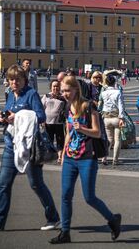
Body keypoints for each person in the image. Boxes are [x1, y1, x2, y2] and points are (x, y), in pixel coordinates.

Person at [0, 64, 60, 231]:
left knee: (36, 184)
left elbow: (40, 116)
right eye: (11, 79)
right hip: (11, 143)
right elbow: (10, 115)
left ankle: (53, 218)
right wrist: (5, 118)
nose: (14, 82)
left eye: (18, 79)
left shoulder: (31, 94)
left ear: (24, 80)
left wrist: (19, 116)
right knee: (3, 183)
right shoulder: (10, 95)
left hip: (29, 147)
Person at [49, 76, 121, 244]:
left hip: (87, 157)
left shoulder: (89, 107)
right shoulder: (67, 107)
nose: (65, 94)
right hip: (70, 157)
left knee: (89, 197)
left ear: (76, 89)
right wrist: (63, 150)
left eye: (68, 90)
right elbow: (68, 132)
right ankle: (65, 232)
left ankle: (112, 220)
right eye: (63, 90)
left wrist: (81, 128)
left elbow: (97, 132)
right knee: (66, 195)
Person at [98, 74, 125, 165]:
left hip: (106, 118)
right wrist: (122, 117)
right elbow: (121, 106)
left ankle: (104, 158)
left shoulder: (103, 93)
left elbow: (100, 106)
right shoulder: (118, 92)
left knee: (109, 139)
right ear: (114, 82)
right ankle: (115, 160)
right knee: (117, 139)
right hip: (116, 117)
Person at [42, 80, 68, 162]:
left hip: (59, 122)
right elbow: (42, 108)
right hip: (47, 122)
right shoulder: (46, 96)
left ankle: (60, 156)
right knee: (49, 139)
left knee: (60, 140)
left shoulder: (63, 97)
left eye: (57, 86)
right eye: (54, 86)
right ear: (51, 87)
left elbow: (68, 108)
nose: (55, 88)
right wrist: (41, 120)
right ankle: (50, 154)